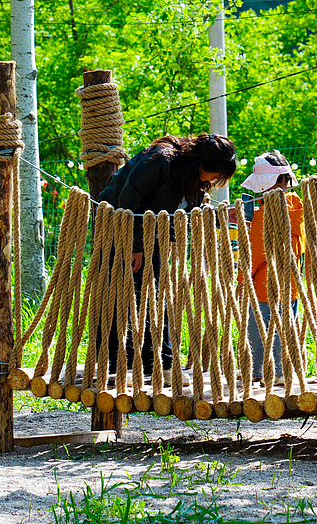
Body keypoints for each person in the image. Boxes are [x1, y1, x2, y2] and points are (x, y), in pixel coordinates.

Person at [98, 133, 237, 374]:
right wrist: (135, 246)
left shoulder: (191, 176)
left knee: (155, 295)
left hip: (152, 233)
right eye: (217, 174)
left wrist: (220, 216)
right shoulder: (161, 160)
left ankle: (158, 362)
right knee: (120, 295)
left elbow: (189, 211)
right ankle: (116, 362)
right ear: (203, 165)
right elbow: (128, 199)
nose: (216, 180)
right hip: (120, 229)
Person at [239, 152, 305, 385]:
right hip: (290, 284)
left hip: (263, 285)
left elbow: (256, 253)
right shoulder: (296, 208)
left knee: (261, 329)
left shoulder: (263, 215)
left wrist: (241, 278)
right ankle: (280, 371)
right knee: (285, 326)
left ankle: (263, 371)